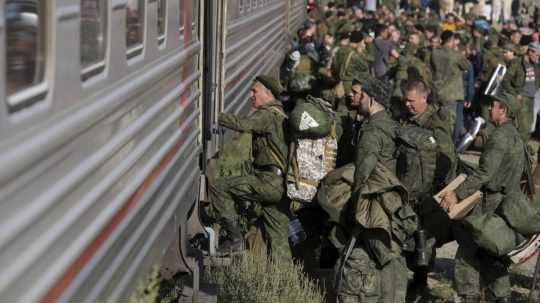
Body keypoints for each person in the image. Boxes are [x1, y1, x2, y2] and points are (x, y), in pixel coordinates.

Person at [440, 92, 525, 303]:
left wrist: (456, 193)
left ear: (503, 110)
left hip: (491, 202)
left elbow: (485, 173)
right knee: (492, 253)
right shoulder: (516, 135)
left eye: (494, 106)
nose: (489, 109)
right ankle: (501, 296)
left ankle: (469, 296)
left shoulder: (499, 137)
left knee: (467, 250)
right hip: (507, 200)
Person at [334, 78, 408, 303]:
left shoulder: (372, 131)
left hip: (375, 205)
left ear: (372, 99)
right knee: (393, 259)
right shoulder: (392, 125)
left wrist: (352, 210)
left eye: (362, 96)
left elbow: (362, 175)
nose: (358, 100)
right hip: (394, 203)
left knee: (372, 259)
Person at [206, 76, 291, 259]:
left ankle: (236, 240)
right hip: (281, 185)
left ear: (268, 93)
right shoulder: (281, 114)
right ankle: (284, 282)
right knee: (279, 239)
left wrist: (213, 115)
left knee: (219, 186)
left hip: (268, 182)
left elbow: (244, 124)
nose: (250, 95)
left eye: (254, 91)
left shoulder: (267, 114)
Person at [398, 79, 457, 299]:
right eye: (405, 101)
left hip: (427, 192)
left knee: (424, 239)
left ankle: (420, 284)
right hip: (408, 187)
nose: (408, 105)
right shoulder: (406, 120)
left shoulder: (435, 124)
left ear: (424, 98)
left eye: (412, 101)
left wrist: (433, 189)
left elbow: (447, 158)